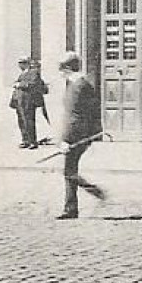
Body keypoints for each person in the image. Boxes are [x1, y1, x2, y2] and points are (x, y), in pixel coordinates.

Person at [56, 52, 106, 219]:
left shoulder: (77, 87)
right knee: (70, 170)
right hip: (82, 133)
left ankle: (84, 198)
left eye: (61, 69)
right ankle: (72, 207)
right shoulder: (81, 84)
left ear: (67, 69)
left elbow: (74, 117)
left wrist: (65, 140)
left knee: (69, 171)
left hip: (76, 135)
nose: (60, 73)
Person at [10, 58, 49, 149]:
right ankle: (25, 140)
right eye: (19, 63)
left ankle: (32, 141)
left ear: (27, 64)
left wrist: (19, 84)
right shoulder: (22, 73)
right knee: (21, 121)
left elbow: (33, 84)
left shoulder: (33, 72)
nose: (20, 65)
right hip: (19, 101)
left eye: (22, 63)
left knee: (29, 121)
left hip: (28, 101)